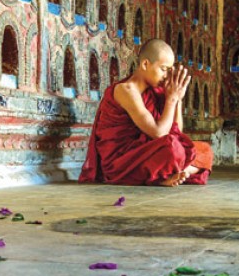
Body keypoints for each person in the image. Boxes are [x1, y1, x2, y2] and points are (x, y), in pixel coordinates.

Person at [79, 39, 212, 187]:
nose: (167, 76)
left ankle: (172, 172)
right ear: (145, 64)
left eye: (169, 70)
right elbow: (159, 133)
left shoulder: (156, 92)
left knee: (205, 150)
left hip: (149, 152)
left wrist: (178, 99)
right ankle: (173, 173)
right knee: (173, 149)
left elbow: (177, 132)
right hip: (122, 161)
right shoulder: (126, 90)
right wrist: (171, 99)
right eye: (163, 69)